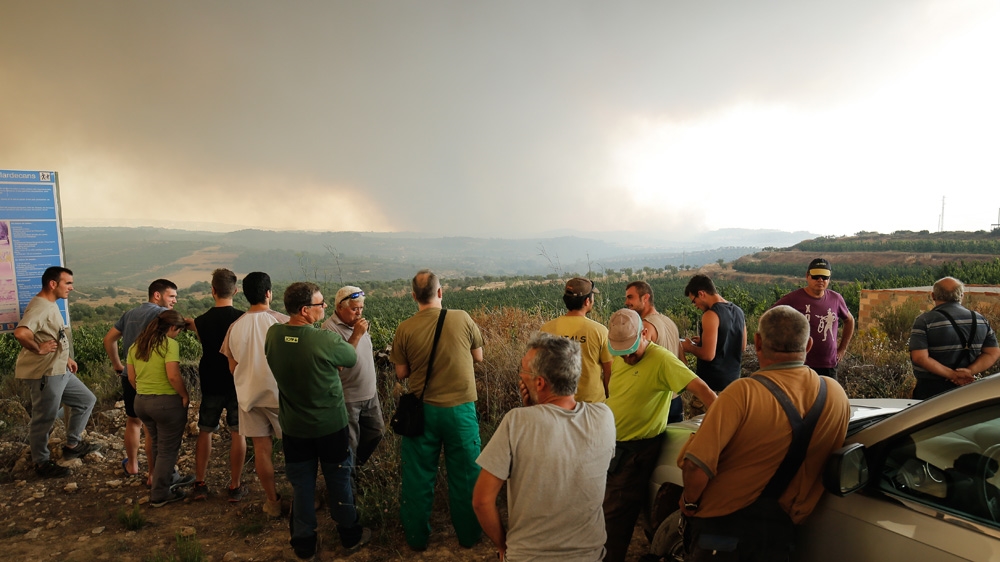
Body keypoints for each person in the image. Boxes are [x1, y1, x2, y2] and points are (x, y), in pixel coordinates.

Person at [678, 305, 851, 561]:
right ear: (809, 345)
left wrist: (690, 503)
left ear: (757, 342)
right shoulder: (835, 394)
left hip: (724, 529)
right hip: (782, 532)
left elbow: (696, 466)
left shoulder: (741, 393)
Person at [473, 332, 616, 561]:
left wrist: (503, 547)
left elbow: (482, 501)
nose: (521, 376)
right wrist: (535, 410)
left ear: (540, 382)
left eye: (524, 370)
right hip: (589, 555)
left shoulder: (517, 422)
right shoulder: (604, 417)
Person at [603, 309, 717, 562]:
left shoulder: (662, 359)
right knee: (603, 512)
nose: (628, 357)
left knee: (614, 519)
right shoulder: (622, 355)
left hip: (635, 449)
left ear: (644, 333)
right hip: (610, 444)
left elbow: (704, 391)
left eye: (631, 350)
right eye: (621, 352)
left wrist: (721, 426)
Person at [265, 282, 369, 558]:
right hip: (330, 426)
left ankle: (304, 545)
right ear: (304, 310)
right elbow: (348, 358)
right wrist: (356, 335)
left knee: (302, 486)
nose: (324, 308)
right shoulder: (323, 340)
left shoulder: (274, 335)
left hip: (294, 428)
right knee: (338, 479)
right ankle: (350, 536)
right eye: (319, 304)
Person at [390, 269, 485, 551]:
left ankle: (417, 539)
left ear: (413, 296)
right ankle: (469, 536)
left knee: (418, 477)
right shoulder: (462, 318)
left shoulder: (405, 328)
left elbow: (401, 372)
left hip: (423, 411)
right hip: (461, 410)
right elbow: (478, 356)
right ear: (440, 292)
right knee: (466, 475)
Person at [14, 266, 99, 478]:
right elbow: (21, 332)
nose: (71, 287)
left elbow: (51, 333)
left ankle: (72, 445)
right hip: (46, 373)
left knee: (86, 400)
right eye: (67, 283)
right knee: (45, 418)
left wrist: (66, 356)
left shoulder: (50, 304)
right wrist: (38, 348)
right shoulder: (41, 306)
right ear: (53, 284)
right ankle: (41, 463)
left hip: (60, 368)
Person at [221, 271, 287, 517]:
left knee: (262, 451)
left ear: (244, 295)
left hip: (248, 399)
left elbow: (232, 366)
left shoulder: (235, 327)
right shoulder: (282, 322)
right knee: (295, 449)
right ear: (269, 293)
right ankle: (303, 499)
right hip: (281, 397)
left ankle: (272, 501)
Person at [103, 278, 184, 478]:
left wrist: (117, 365)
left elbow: (108, 339)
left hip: (130, 375)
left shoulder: (130, 314)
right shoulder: (162, 316)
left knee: (133, 421)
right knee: (152, 429)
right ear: (157, 295)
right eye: (171, 296)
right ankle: (152, 473)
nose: (175, 300)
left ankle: (132, 465)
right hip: (153, 380)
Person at [128, 310, 193, 507]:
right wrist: (184, 395)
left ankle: (166, 479)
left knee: (156, 443)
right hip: (166, 403)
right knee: (167, 449)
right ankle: (160, 493)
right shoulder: (169, 345)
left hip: (141, 402)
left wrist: (144, 392)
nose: (177, 335)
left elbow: (132, 377)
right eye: (178, 331)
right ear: (173, 328)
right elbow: (173, 376)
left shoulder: (136, 345)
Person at [191, 268, 245, 502]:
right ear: (235, 290)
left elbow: (205, 341)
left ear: (212, 291)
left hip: (211, 381)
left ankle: (200, 482)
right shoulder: (242, 318)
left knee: (205, 430)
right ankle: (235, 485)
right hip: (237, 382)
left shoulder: (201, 321)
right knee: (238, 433)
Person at [321, 286, 384, 468]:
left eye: (361, 308)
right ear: (340, 308)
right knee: (350, 443)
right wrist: (356, 335)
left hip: (370, 394)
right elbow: (338, 363)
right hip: (349, 398)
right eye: (354, 309)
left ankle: (355, 467)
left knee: (376, 432)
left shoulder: (359, 325)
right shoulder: (329, 330)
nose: (359, 313)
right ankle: (348, 485)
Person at [909, 276, 1000, 399]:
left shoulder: (924, 321)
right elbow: (993, 352)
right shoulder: (979, 319)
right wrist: (969, 372)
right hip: (967, 387)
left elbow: (919, 358)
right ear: (961, 296)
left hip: (931, 390)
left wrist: (952, 375)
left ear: (933, 296)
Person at [772, 258, 855, 380]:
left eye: (824, 276)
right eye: (816, 276)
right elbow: (769, 317)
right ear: (807, 276)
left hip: (829, 365)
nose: (820, 280)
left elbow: (849, 320)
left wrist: (842, 349)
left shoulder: (836, 299)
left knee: (828, 398)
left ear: (829, 278)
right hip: (801, 364)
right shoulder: (793, 299)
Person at [539, 277, 613, 402]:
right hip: (592, 405)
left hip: (557, 404)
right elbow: (608, 371)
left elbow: (540, 369)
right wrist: (609, 397)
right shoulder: (599, 331)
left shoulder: (546, 329)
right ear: (587, 301)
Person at [625, 280, 685, 422]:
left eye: (630, 297)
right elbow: (683, 362)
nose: (626, 302)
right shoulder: (670, 322)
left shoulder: (645, 326)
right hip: (675, 399)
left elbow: (636, 366)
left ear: (645, 298)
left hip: (656, 402)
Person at [681, 274, 747, 394]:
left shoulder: (710, 315)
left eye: (694, 301)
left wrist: (689, 347)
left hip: (711, 386)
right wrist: (705, 340)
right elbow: (741, 346)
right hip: (733, 383)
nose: (695, 306)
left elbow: (708, 355)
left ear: (701, 293)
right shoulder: (739, 311)